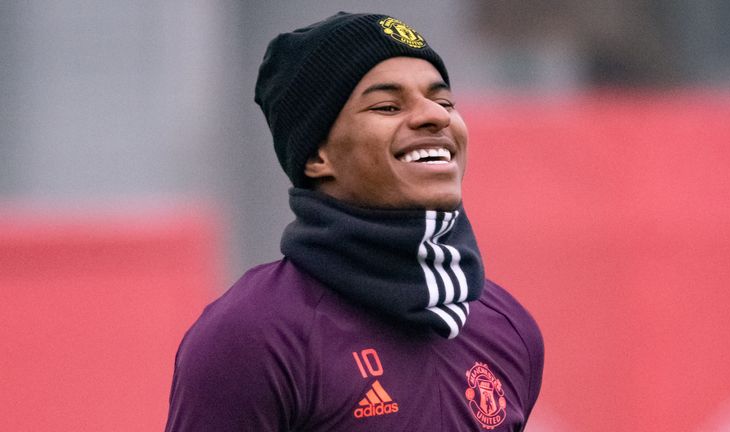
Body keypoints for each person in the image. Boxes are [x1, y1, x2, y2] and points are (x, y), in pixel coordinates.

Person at [165, 12, 543, 431]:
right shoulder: (254, 334)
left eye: (444, 101)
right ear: (316, 156)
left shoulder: (508, 325)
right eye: (387, 106)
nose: (434, 117)